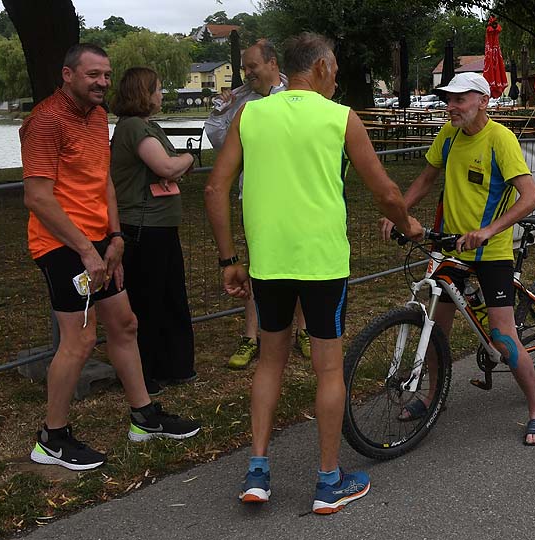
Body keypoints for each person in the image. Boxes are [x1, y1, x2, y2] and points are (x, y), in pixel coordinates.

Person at [205, 33, 424, 514]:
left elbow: (215, 188)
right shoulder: (340, 117)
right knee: (328, 370)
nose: (337, 79)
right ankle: (328, 481)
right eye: (336, 70)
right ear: (321, 67)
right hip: (323, 264)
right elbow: (385, 192)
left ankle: (257, 472)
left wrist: (228, 260)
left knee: (269, 363)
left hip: (268, 263)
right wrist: (408, 224)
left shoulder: (250, 115)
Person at [20, 44, 200, 471]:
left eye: (106, 74)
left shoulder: (98, 117)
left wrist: (114, 238)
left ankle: (144, 417)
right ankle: (52, 439)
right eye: (92, 75)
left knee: (125, 324)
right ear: (67, 75)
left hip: (100, 242)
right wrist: (86, 250)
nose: (102, 82)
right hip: (62, 245)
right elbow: (37, 198)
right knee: (80, 339)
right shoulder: (45, 121)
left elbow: (104, 183)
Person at [379, 72, 535, 446]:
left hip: (491, 252)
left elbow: (531, 197)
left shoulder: (500, 139)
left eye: (459, 99)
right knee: (436, 330)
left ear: (483, 102)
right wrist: (399, 213)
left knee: (502, 337)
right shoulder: (449, 135)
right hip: (451, 247)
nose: (451, 107)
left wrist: (488, 231)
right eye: (449, 100)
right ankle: (433, 398)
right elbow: (426, 179)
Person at [205, 39, 312, 369]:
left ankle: (304, 331)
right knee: (257, 266)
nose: (247, 73)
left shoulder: (299, 94)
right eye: (244, 68)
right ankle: (251, 337)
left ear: (272, 64)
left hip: (297, 195)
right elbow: (219, 141)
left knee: (301, 263)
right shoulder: (241, 103)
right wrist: (219, 111)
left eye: (252, 66)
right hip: (256, 197)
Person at [109, 67, 197, 396]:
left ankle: (176, 366)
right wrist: (189, 157)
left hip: (161, 226)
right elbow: (167, 166)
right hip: (144, 228)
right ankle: (145, 372)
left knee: (171, 297)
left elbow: (170, 166)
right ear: (142, 93)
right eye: (158, 89)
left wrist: (178, 164)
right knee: (148, 301)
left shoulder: (150, 127)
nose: (162, 94)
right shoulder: (134, 128)